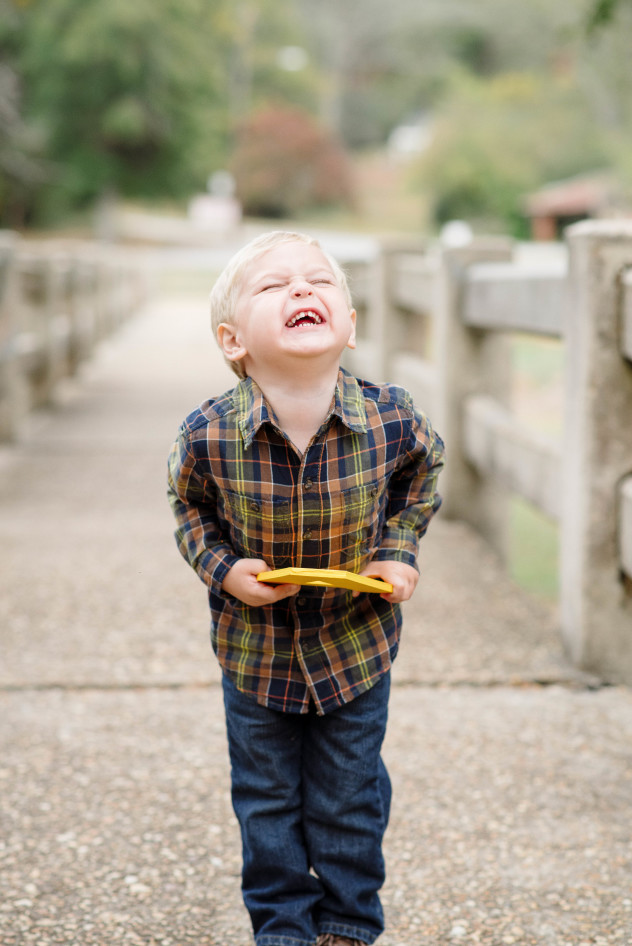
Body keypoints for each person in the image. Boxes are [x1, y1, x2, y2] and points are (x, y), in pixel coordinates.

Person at [167, 230, 444, 946]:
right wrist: (223, 568)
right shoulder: (207, 435)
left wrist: (397, 550)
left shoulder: (393, 418)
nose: (301, 291)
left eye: (321, 282)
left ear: (349, 327)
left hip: (356, 646)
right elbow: (189, 509)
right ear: (233, 340)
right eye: (274, 286)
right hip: (254, 652)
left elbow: (422, 481)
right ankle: (283, 926)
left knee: (349, 796)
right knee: (266, 801)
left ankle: (349, 922)